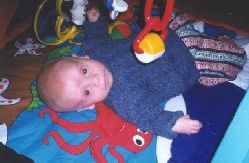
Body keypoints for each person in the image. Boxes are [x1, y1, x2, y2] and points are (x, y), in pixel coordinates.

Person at [37, 29, 202, 139]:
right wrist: (173, 123)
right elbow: (146, 116)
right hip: (187, 62)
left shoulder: (96, 51)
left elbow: (97, 37)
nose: (95, 80)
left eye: (84, 72)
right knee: (221, 56)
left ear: (81, 57)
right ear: (88, 106)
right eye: (87, 92)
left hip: (163, 33)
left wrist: (94, 22)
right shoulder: (123, 98)